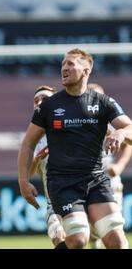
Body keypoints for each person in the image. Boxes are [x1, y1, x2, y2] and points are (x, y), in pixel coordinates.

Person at [18, 48, 132, 249]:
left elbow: (129, 127)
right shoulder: (49, 106)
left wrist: (120, 133)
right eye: (63, 64)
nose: (64, 67)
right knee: (79, 239)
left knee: (117, 241)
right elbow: (28, 144)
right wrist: (23, 180)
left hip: (96, 179)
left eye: (70, 64)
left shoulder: (103, 103)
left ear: (86, 70)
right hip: (63, 182)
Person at [87, 83, 132, 249]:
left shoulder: (108, 120)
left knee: (113, 227)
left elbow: (129, 142)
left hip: (107, 178)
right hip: (82, 178)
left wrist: (119, 166)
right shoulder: (74, 119)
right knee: (90, 229)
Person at [28, 85, 66, 247]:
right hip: (54, 203)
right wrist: (37, 159)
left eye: (44, 98)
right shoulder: (32, 138)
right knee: (58, 238)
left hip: (80, 198)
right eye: (36, 100)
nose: (39, 102)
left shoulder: (69, 126)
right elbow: (30, 174)